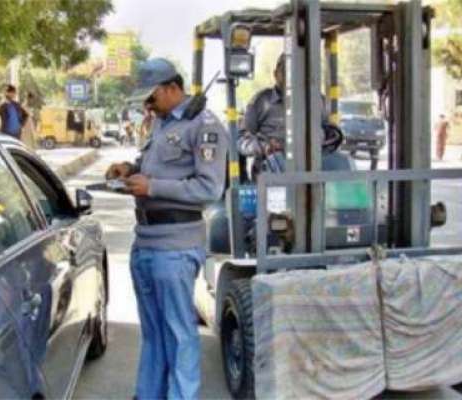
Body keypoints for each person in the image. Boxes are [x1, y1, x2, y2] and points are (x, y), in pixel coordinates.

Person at [105, 58, 228, 400]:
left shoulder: (204, 126)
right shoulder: (161, 122)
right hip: (146, 242)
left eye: (152, 97)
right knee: (154, 333)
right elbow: (154, 165)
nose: (148, 105)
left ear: (173, 88)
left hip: (175, 247)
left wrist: (153, 187)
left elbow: (209, 188)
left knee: (178, 333)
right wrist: (129, 169)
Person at [238, 53, 351, 179]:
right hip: (272, 170)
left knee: (342, 163)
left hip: (313, 166)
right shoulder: (261, 101)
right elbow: (241, 139)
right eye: (285, 71)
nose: (291, 77)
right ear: (276, 74)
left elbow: (330, 132)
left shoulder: (317, 100)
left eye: (296, 71)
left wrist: (324, 137)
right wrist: (264, 147)